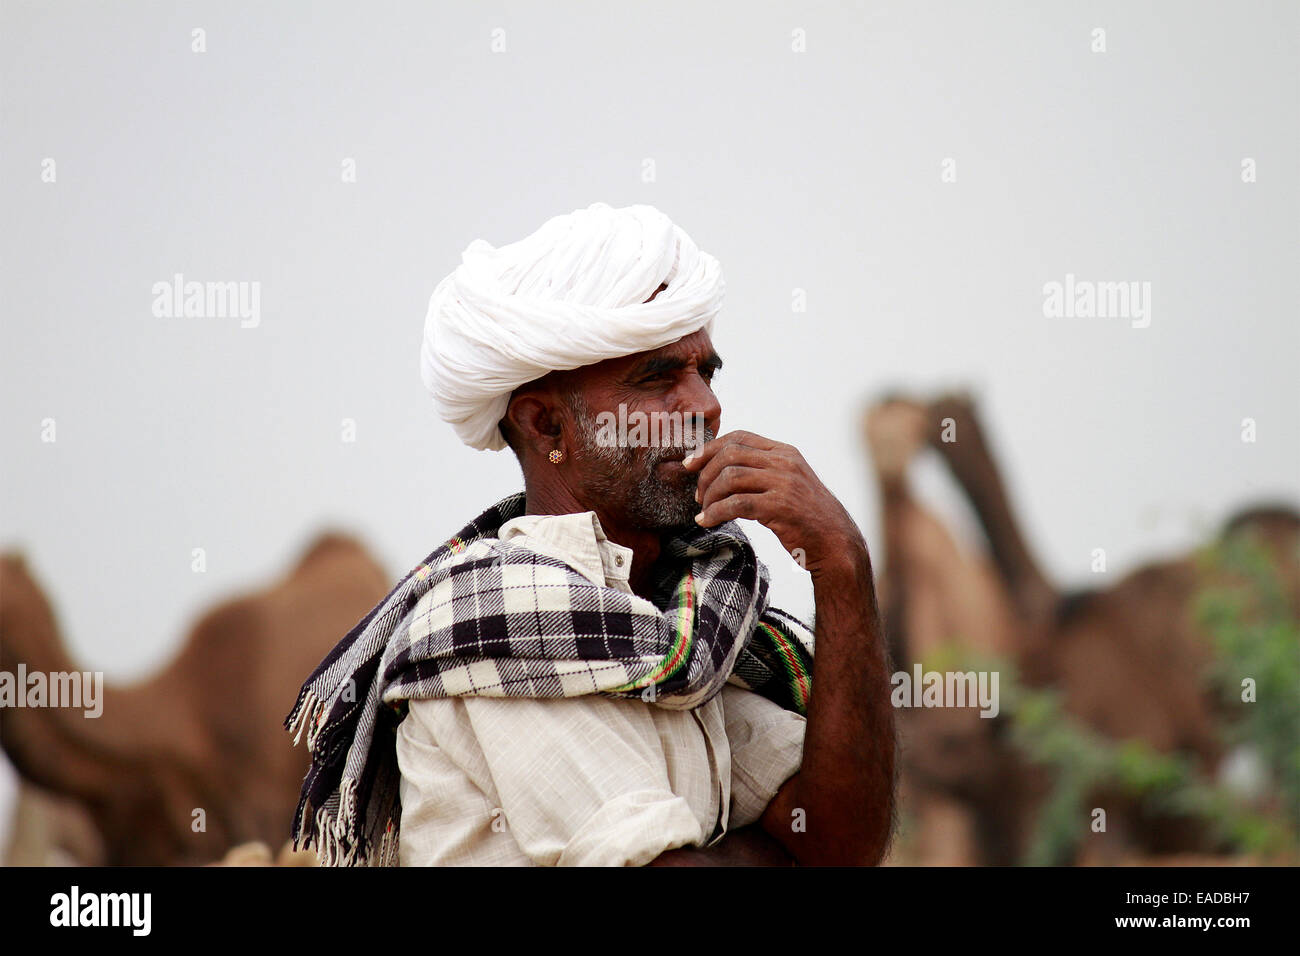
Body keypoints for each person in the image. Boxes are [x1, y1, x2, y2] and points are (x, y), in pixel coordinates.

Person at [285, 203, 896, 866]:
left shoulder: (681, 632)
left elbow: (838, 844)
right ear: (547, 425)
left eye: (705, 371)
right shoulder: (499, 626)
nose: (704, 406)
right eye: (658, 378)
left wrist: (843, 566)